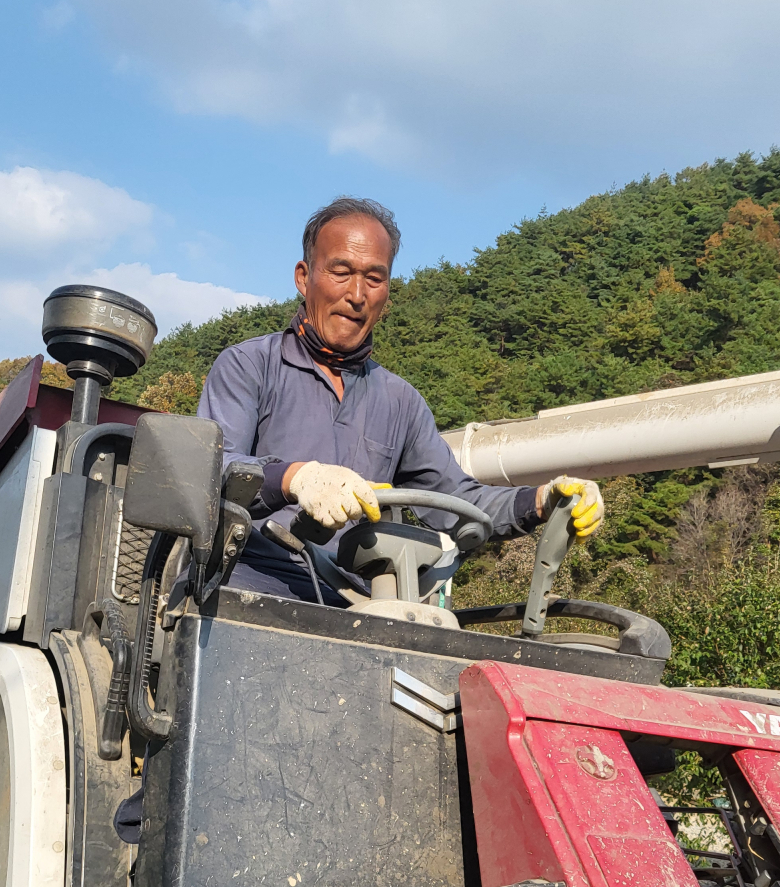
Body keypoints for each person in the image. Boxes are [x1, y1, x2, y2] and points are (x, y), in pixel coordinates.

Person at [197, 196, 603, 604]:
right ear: (304, 277)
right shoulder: (248, 365)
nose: (357, 294)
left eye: (375, 278)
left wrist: (541, 500)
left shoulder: (401, 402)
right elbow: (212, 472)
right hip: (247, 586)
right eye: (341, 271)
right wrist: (295, 478)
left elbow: (457, 502)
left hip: (357, 601)